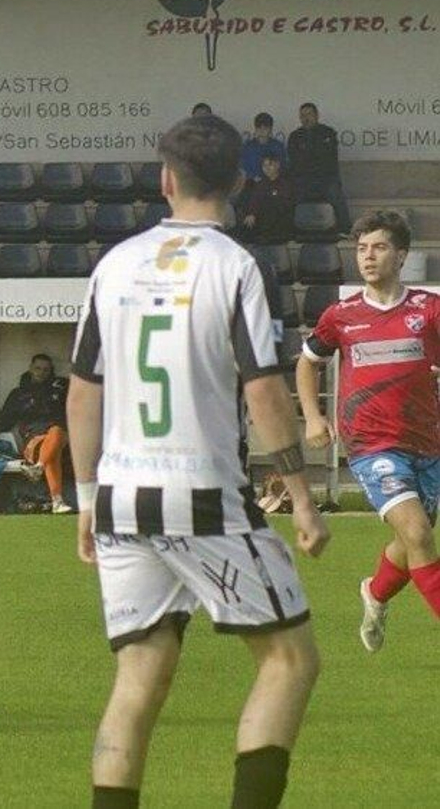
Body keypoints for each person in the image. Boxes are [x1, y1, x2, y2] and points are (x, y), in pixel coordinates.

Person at [69, 114, 328, 809]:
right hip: (202, 493)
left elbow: (83, 391)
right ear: (240, 181)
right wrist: (301, 496)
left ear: (165, 179)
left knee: (140, 676)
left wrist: (88, 498)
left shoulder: (114, 264)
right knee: (290, 658)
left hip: (123, 494)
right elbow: (266, 391)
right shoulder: (237, 267)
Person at [297, 210, 440, 653]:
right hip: (370, 444)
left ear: (401, 255)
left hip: (426, 442)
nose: (368, 256)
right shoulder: (341, 316)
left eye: (378, 247)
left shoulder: (429, 309)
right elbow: (306, 363)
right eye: (361, 248)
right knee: (417, 533)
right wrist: (314, 417)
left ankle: (375, 593)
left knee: (409, 539)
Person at [0, 353, 71, 515]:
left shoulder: (62, 387)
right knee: (52, 450)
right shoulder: (19, 393)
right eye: (38, 368)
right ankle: (56, 500)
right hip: (35, 439)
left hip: (64, 439)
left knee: (56, 431)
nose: (41, 372)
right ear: (30, 368)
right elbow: (5, 416)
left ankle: (40, 469)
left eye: (45, 370)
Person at [287, 102, 349, 233]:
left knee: (335, 192)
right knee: (289, 193)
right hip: (303, 180)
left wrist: (309, 158)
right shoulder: (294, 136)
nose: (306, 118)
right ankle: (291, 231)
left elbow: (328, 159)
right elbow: (295, 161)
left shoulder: (328, 133)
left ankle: (345, 229)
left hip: (325, 179)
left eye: (309, 114)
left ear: (317, 115)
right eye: (302, 115)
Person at [237, 155, 294, 244]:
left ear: (277, 165)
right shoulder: (261, 184)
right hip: (262, 221)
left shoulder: (286, 183)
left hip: (280, 221)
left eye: (270, 165)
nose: (266, 168)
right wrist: (251, 213)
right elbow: (254, 200)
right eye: (264, 166)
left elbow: (284, 204)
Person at [239, 112, 286, 188]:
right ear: (255, 129)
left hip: (274, 183)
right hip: (252, 184)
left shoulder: (278, 146)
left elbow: (283, 166)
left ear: (270, 129)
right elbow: (243, 168)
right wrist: (253, 177)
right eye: (259, 128)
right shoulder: (248, 147)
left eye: (265, 128)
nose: (262, 130)